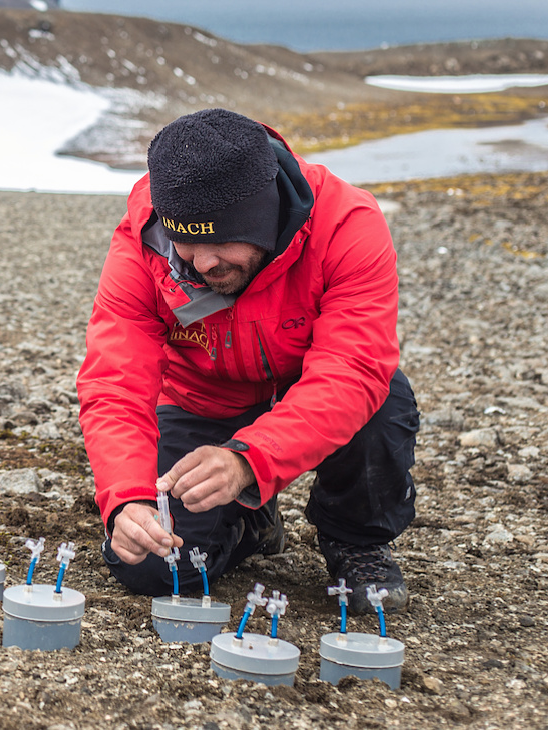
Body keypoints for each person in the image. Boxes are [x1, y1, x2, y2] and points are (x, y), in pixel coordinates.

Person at [77, 108, 418, 613]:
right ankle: (250, 526)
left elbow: (352, 369)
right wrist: (126, 499)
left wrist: (247, 460)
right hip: (203, 402)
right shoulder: (142, 244)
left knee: (382, 396)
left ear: (264, 217)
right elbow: (114, 380)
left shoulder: (347, 225)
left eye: (218, 241)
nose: (202, 263)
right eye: (186, 244)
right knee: (151, 567)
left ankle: (355, 540)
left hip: (311, 389)